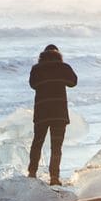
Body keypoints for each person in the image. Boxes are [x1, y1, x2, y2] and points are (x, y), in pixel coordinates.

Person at [27, 43, 77, 185]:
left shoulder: (36, 69)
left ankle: (32, 173)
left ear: (42, 55)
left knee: (37, 143)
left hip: (42, 112)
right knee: (56, 146)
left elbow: (33, 85)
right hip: (59, 113)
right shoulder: (64, 67)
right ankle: (54, 177)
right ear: (58, 55)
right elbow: (73, 82)